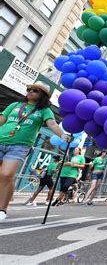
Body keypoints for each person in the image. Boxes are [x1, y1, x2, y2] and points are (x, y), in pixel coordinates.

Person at [0, 81, 71, 220]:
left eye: (36, 90)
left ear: (42, 95)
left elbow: (51, 124)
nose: (31, 91)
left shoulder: (44, 111)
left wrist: (62, 135)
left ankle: (2, 209)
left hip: (20, 146)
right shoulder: (14, 105)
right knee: (3, 177)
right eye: (30, 89)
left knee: (6, 174)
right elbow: (1, 119)